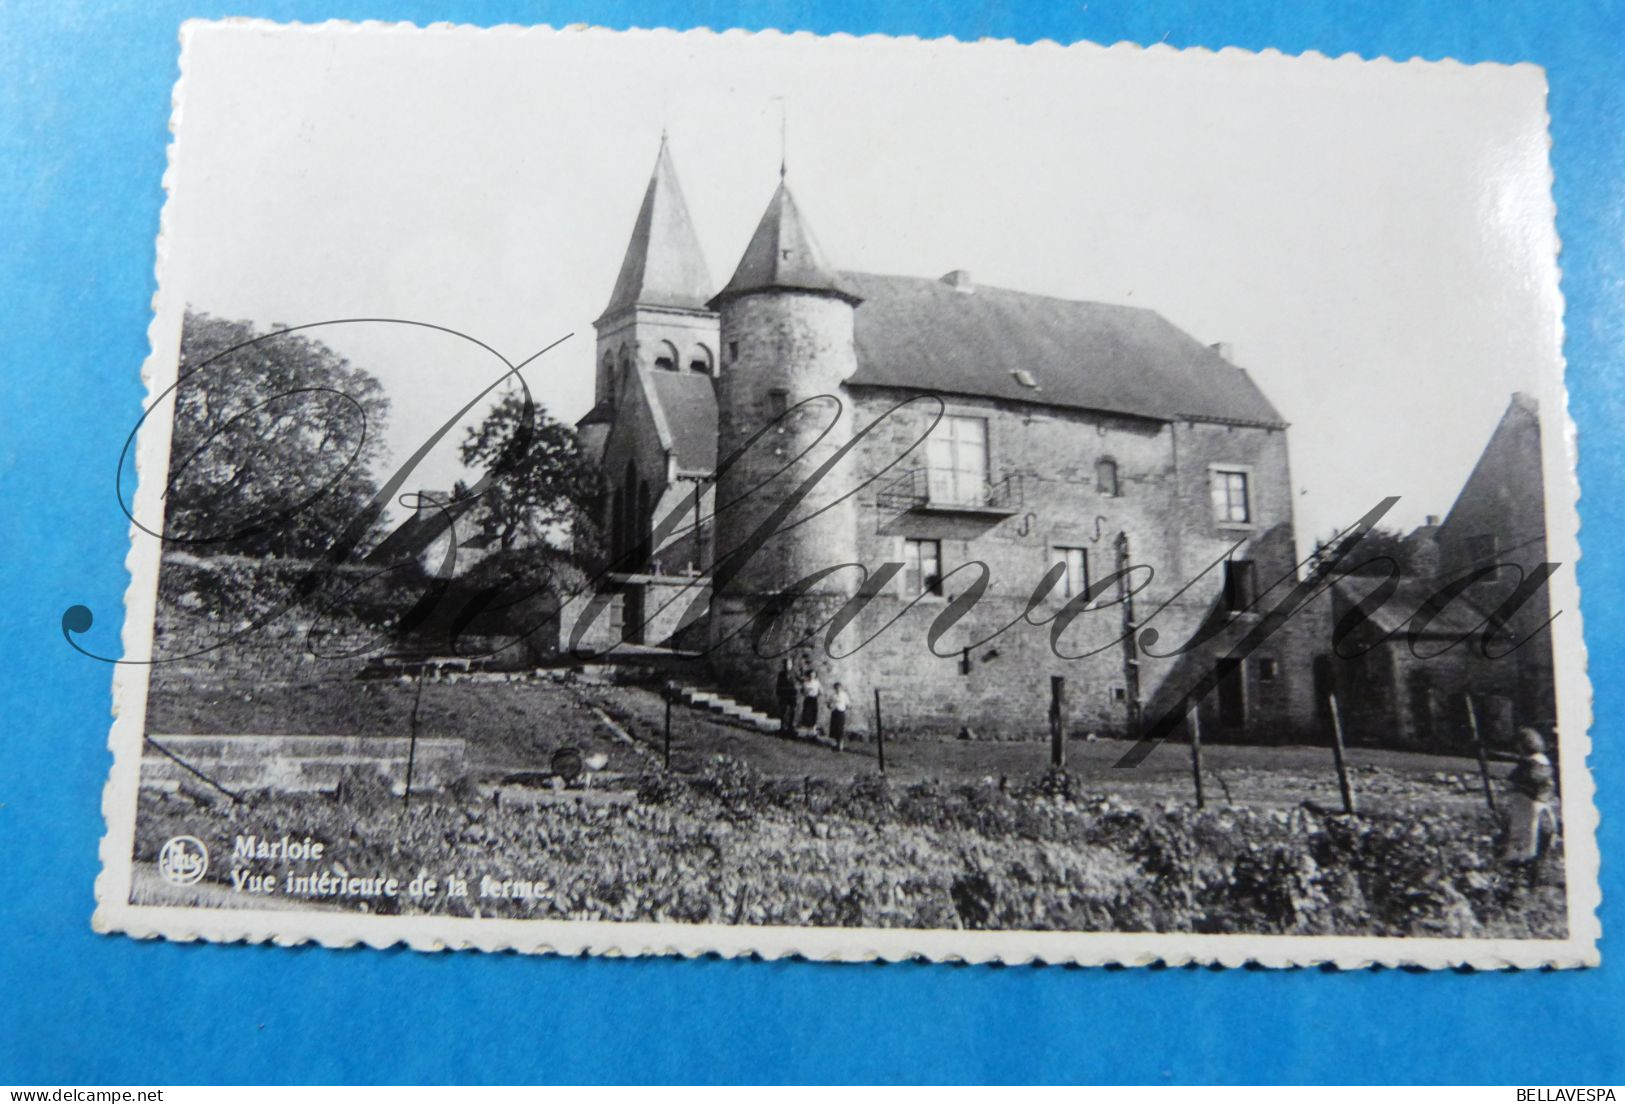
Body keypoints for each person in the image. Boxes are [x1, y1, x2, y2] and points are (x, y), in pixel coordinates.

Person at [1502, 726, 1558, 869]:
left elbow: (1522, 778)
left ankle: (1520, 859)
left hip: (1527, 800)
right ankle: (1531, 859)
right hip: (1540, 800)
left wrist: (1514, 783)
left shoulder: (1531, 763)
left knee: (1523, 829)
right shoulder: (1543, 761)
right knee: (1533, 829)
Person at [775, 659, 797, 736]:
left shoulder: (794, 673)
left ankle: (790, 727)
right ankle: (782, 727)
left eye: (790, 664)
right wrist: (778, 693)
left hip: (792, 695)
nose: (788, 666)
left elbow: (800, 681)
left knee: (792, 711)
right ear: (784, 665)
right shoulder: (781, 674)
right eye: (787, 664)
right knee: (783, 711)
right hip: (783, 695)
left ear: (792, 665)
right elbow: (778, 684)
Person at [799, 668, 822, 735]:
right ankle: (806, 731)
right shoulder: (805, 683)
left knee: (813, 714)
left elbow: (821, 691)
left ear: (815, 675)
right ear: (808, 675)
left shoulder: (817, 682)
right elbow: (802, 691)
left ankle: (813, 731)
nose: (812, 676)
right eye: (810, 675)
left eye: (813, 675)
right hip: (807, 699)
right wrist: (806, 693)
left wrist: (816, 695)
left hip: (814, 699)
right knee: (806, 714)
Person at [828, 681, 851, 750]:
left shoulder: (844, 695)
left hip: (841, 713)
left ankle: (840, 745)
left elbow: (848, 705)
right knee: (834, 728)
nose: (838, 689)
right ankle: (834, 744)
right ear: (834, 688)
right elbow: (828, 704)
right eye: (836, 688)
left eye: (839, 688)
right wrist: (831, 706)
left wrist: (843, 709)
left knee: (840, 728)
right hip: (834, 712)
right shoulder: (832, 695)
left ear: (841, 688)